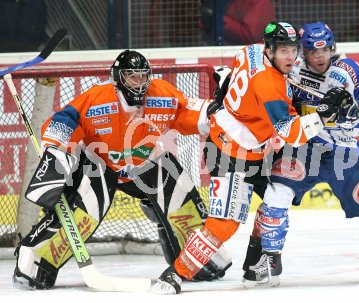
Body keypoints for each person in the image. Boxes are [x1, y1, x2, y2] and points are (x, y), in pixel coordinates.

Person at [151, 21, 356, 294]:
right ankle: (175, 274)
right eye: (283, 51)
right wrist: (323, 115)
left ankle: (254, 265)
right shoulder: (269, 86)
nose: (290, 58)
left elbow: (226, 74)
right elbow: (291, 132)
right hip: (229, 153)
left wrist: (224, 95)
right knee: (224, 224)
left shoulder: (250, 51)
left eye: (293, 50)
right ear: (269, 50)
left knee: (273, 199)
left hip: (251, 148)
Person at [12, 49, 231, 289]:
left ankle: (195, 259)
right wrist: (55, 148)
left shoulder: (162, 94)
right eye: (131, 77)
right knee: (85, 213)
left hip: (141, 164)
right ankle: (36, 259)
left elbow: (191, 111)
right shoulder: (98, 98)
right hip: (100, 166)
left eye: (142, 76)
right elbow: (66, 118)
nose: (139, 83)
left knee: (175, 184)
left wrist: (222, 111)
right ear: (118, 78)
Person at [242, 21, 359, 287]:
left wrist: (348, 115)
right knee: (276, 194)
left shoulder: (349, 71)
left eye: (325, 50)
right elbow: (281, 104)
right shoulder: (293, 70)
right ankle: (271, 259)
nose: (320, 56)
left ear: (333, 48)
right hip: (304, 148)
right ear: (304, 52)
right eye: (313, 51)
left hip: (343, 151)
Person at [200, 0, 275, 45]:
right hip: (227, 52)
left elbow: (250, 36)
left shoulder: (259, 3)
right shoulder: (232, 2)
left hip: (253, 57)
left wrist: (218, 19)